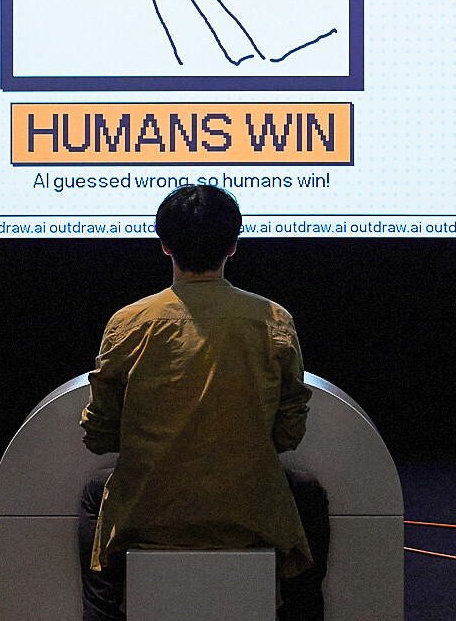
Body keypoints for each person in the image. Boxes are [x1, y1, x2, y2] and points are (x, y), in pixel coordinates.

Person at [78, 185, 329, 621]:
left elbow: (99, 435)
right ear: (233, 246)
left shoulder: (128, 322)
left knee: (92, 495)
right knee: (306, 494)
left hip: (147, 513)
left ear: (164, 245)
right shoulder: (273, 320)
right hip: (251, 513)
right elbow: (289, 432)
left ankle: (101, 614)